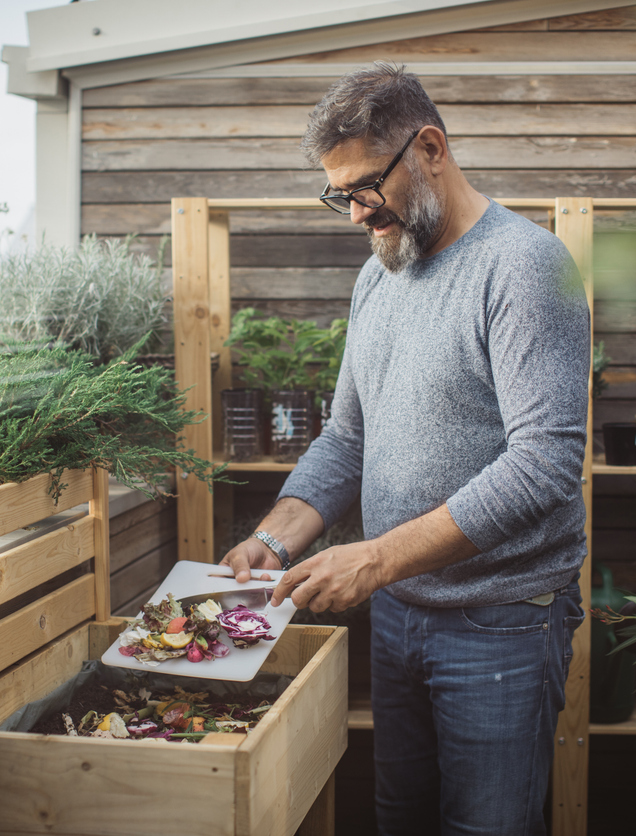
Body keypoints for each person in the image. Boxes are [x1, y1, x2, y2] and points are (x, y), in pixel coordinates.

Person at [221, 62, 590, 836]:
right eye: (340, 195)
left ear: (429, 148)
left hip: (502, 621)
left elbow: (546, 464)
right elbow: (349, 434)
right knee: (402, 821)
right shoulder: (378, 276)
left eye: (364, 187)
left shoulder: (523, 266)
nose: (355, 213)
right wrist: (272, 539)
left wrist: (375, 558)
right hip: (398, 616)